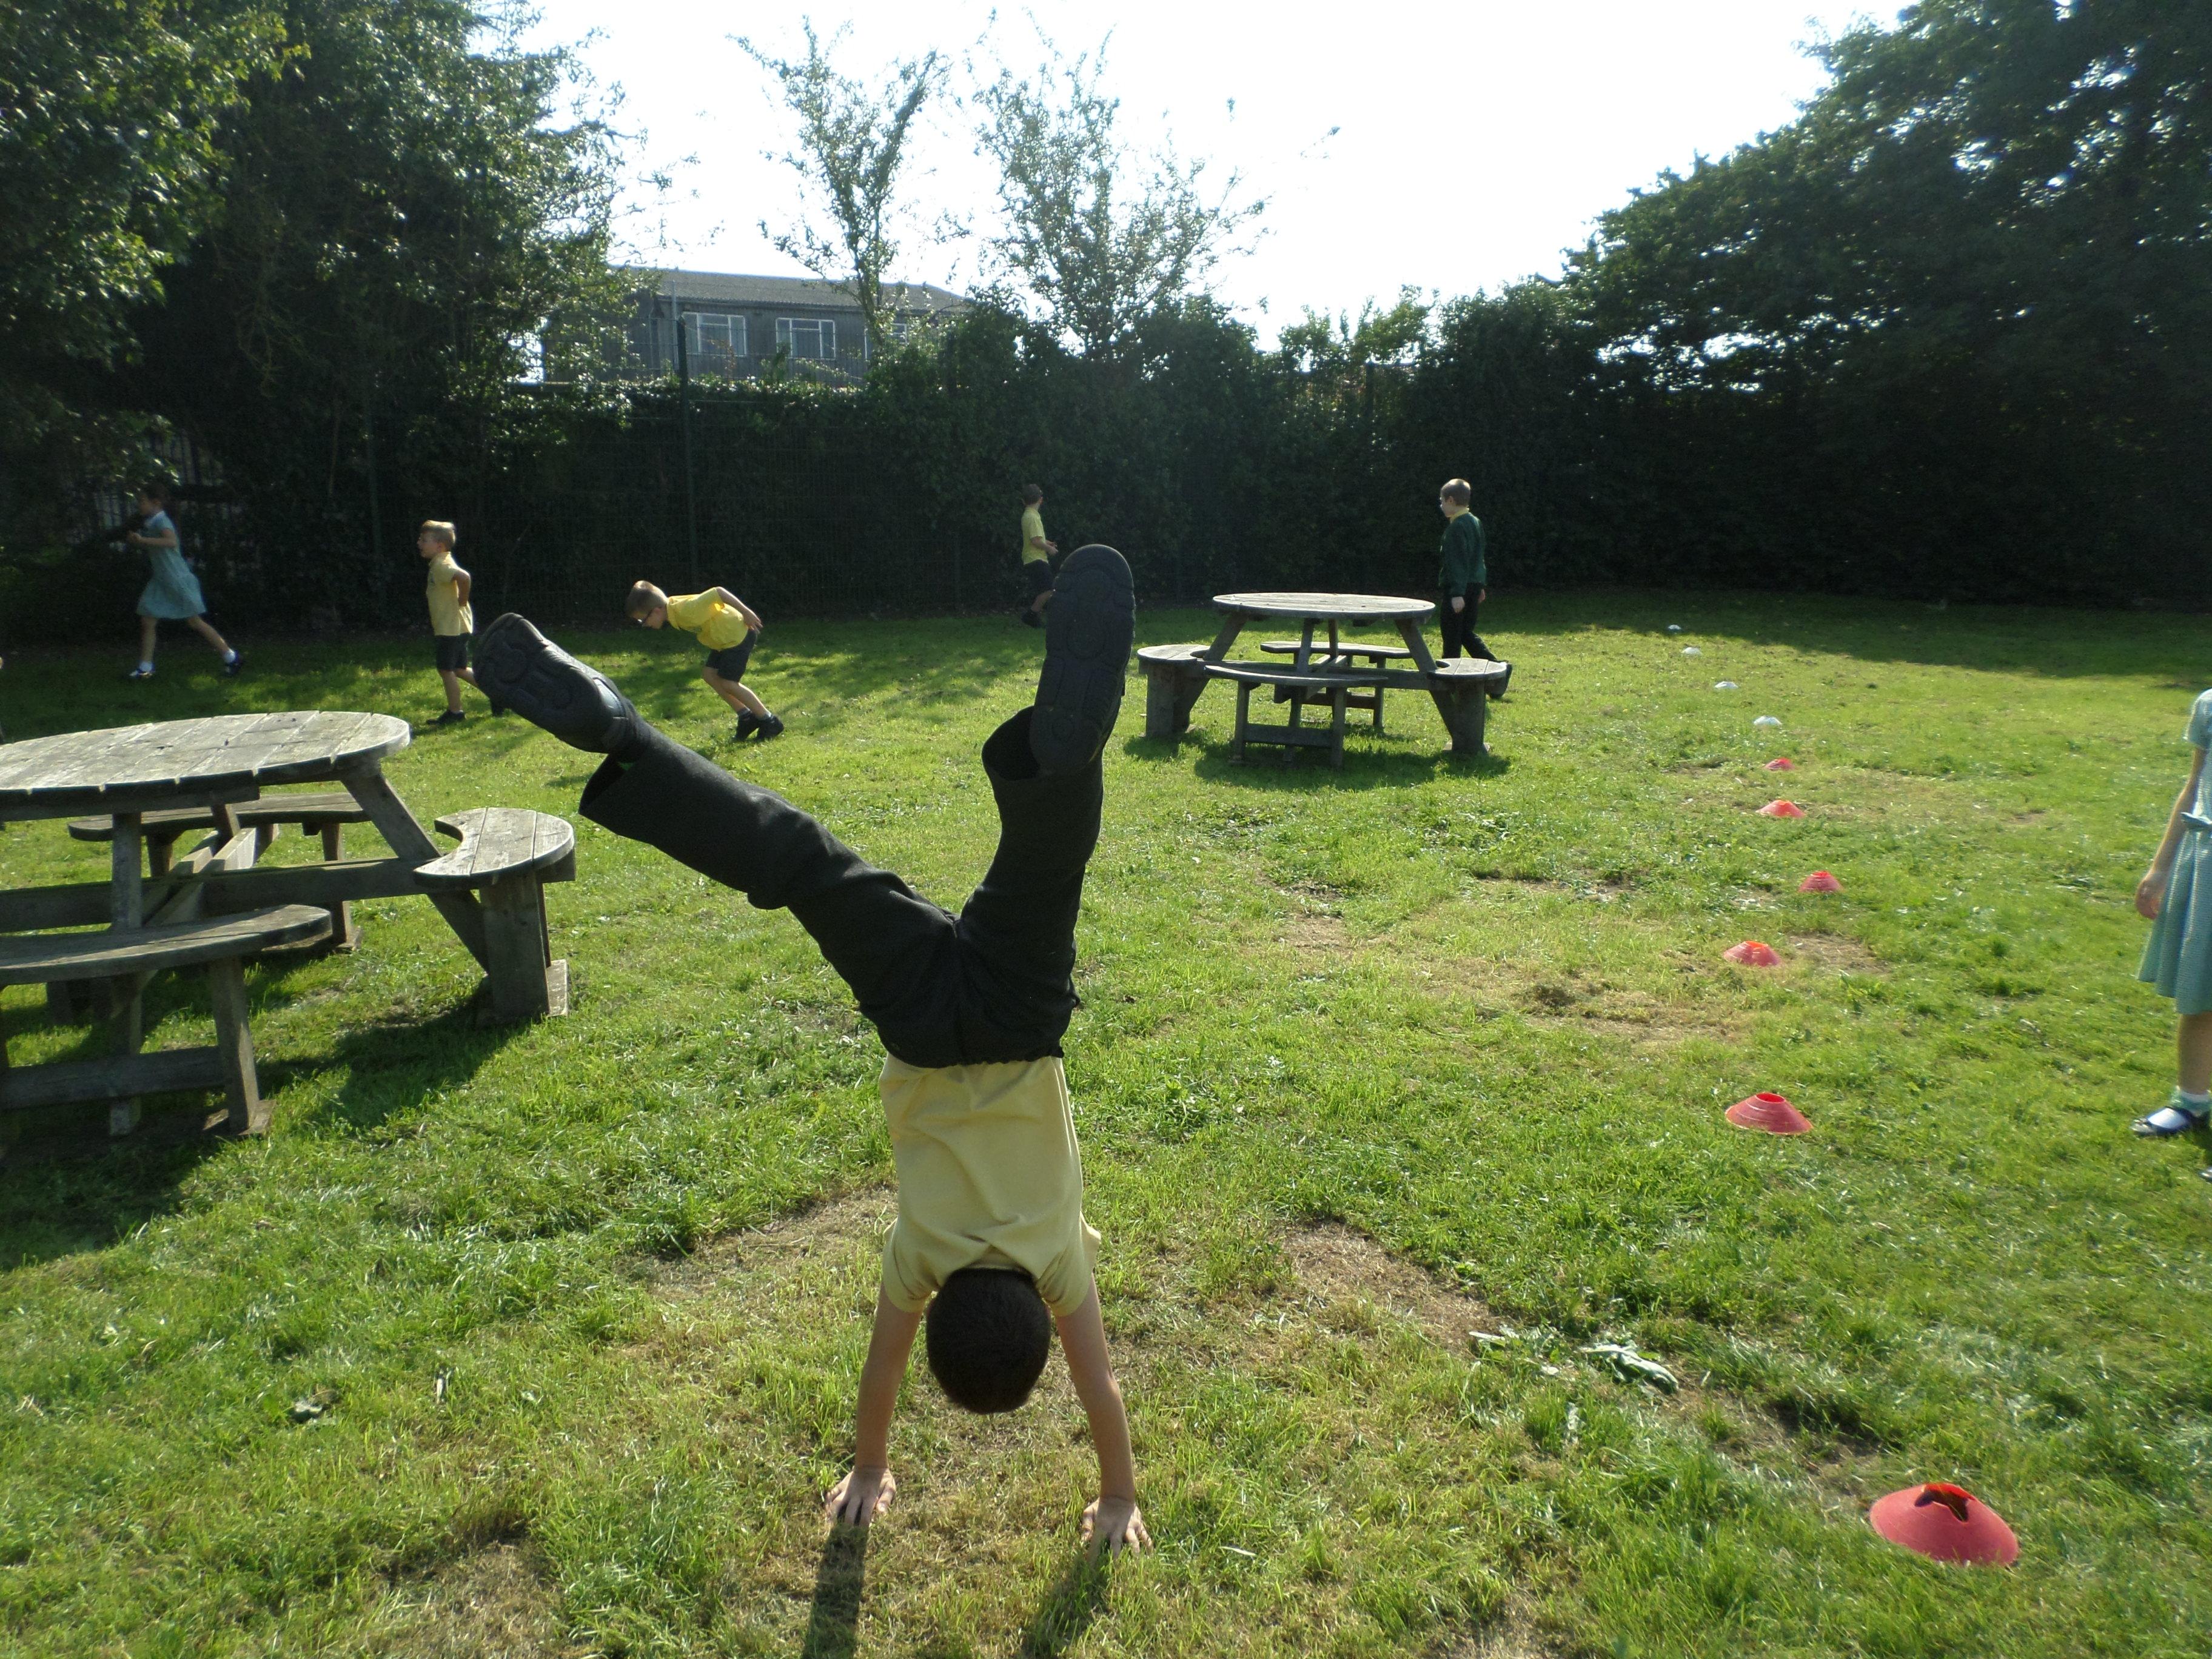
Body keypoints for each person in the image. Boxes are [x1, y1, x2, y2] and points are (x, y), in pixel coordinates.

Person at [475, 544, 1149, 1557]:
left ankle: (1063, 765)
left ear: (1036, 1312)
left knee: (1048, 863)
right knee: (798, 862)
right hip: (916, 1017)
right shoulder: (920, 1259)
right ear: (937, 1309)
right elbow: (881, 1373)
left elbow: (1099, 1383)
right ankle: (626, 738)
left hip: (1019, 1015)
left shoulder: (1057, 1261)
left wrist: (1121, 1494)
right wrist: (869, 1466)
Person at [2133, 687, 2212, 1179]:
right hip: (2207, 866)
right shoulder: (2210, 705)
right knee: (2201, 995)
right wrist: (2160, 867)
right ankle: (2191, 1101)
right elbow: (2194, 786)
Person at [626, 580, 782, 741]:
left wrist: (746, 612)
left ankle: (769, 720)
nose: (644, 625)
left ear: (656, 611)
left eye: (643, 620)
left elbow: (718, 592)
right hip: (722, 640)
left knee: (729, 683)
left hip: (737, 636)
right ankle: (746, 716)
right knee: (709, 675)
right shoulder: (673, 610)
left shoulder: (685, 610)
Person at [124, 481, 241, 682]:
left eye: (142, 501)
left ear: (156, 503)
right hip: (162, 580)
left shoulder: (162, 522)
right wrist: (139, 541)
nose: (139, 505)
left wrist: (142, 541)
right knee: (148, 620)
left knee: (195, 621)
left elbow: (171, 542)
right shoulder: (152, 522)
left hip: (176, 579)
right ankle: (145, 668)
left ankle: (232, 657)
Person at [420, 521, 480, 725]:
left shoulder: (441, 565)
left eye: (424, 540)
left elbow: (464, 577)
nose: (419, 543)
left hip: (450, 629)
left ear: (439, 546)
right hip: (458, 626)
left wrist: (463, 599)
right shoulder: (441, 561)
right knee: (460, 668)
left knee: (446, 670)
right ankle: (499, 695)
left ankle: (456, 712)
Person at [1435, 478, 1496, 664]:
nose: (1441, 505)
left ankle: (1449, 672)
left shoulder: (1456, 527)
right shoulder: (1475, 522)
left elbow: (1457, 562)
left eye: (1442, 501)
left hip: (1459, 588)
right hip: (1474, 584)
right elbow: (1478, 557)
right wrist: (1480, 585)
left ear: (1451, 501)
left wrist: (1457, 594)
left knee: (1451, 632)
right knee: (1465, 632)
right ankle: (1496, 666)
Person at [1016, 484, 1058, 629]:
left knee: (1047, 590)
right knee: (1048, 590)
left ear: (1023, 501)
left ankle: (1035, 616)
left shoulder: (1028, 515)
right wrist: (1049, 549)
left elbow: (1036, 538)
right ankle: (1031, 615)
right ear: (1041, 499)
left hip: (1032, 558)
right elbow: (1035, 541)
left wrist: (1047, 542)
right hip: (1036, 559)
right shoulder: (1033, 517)